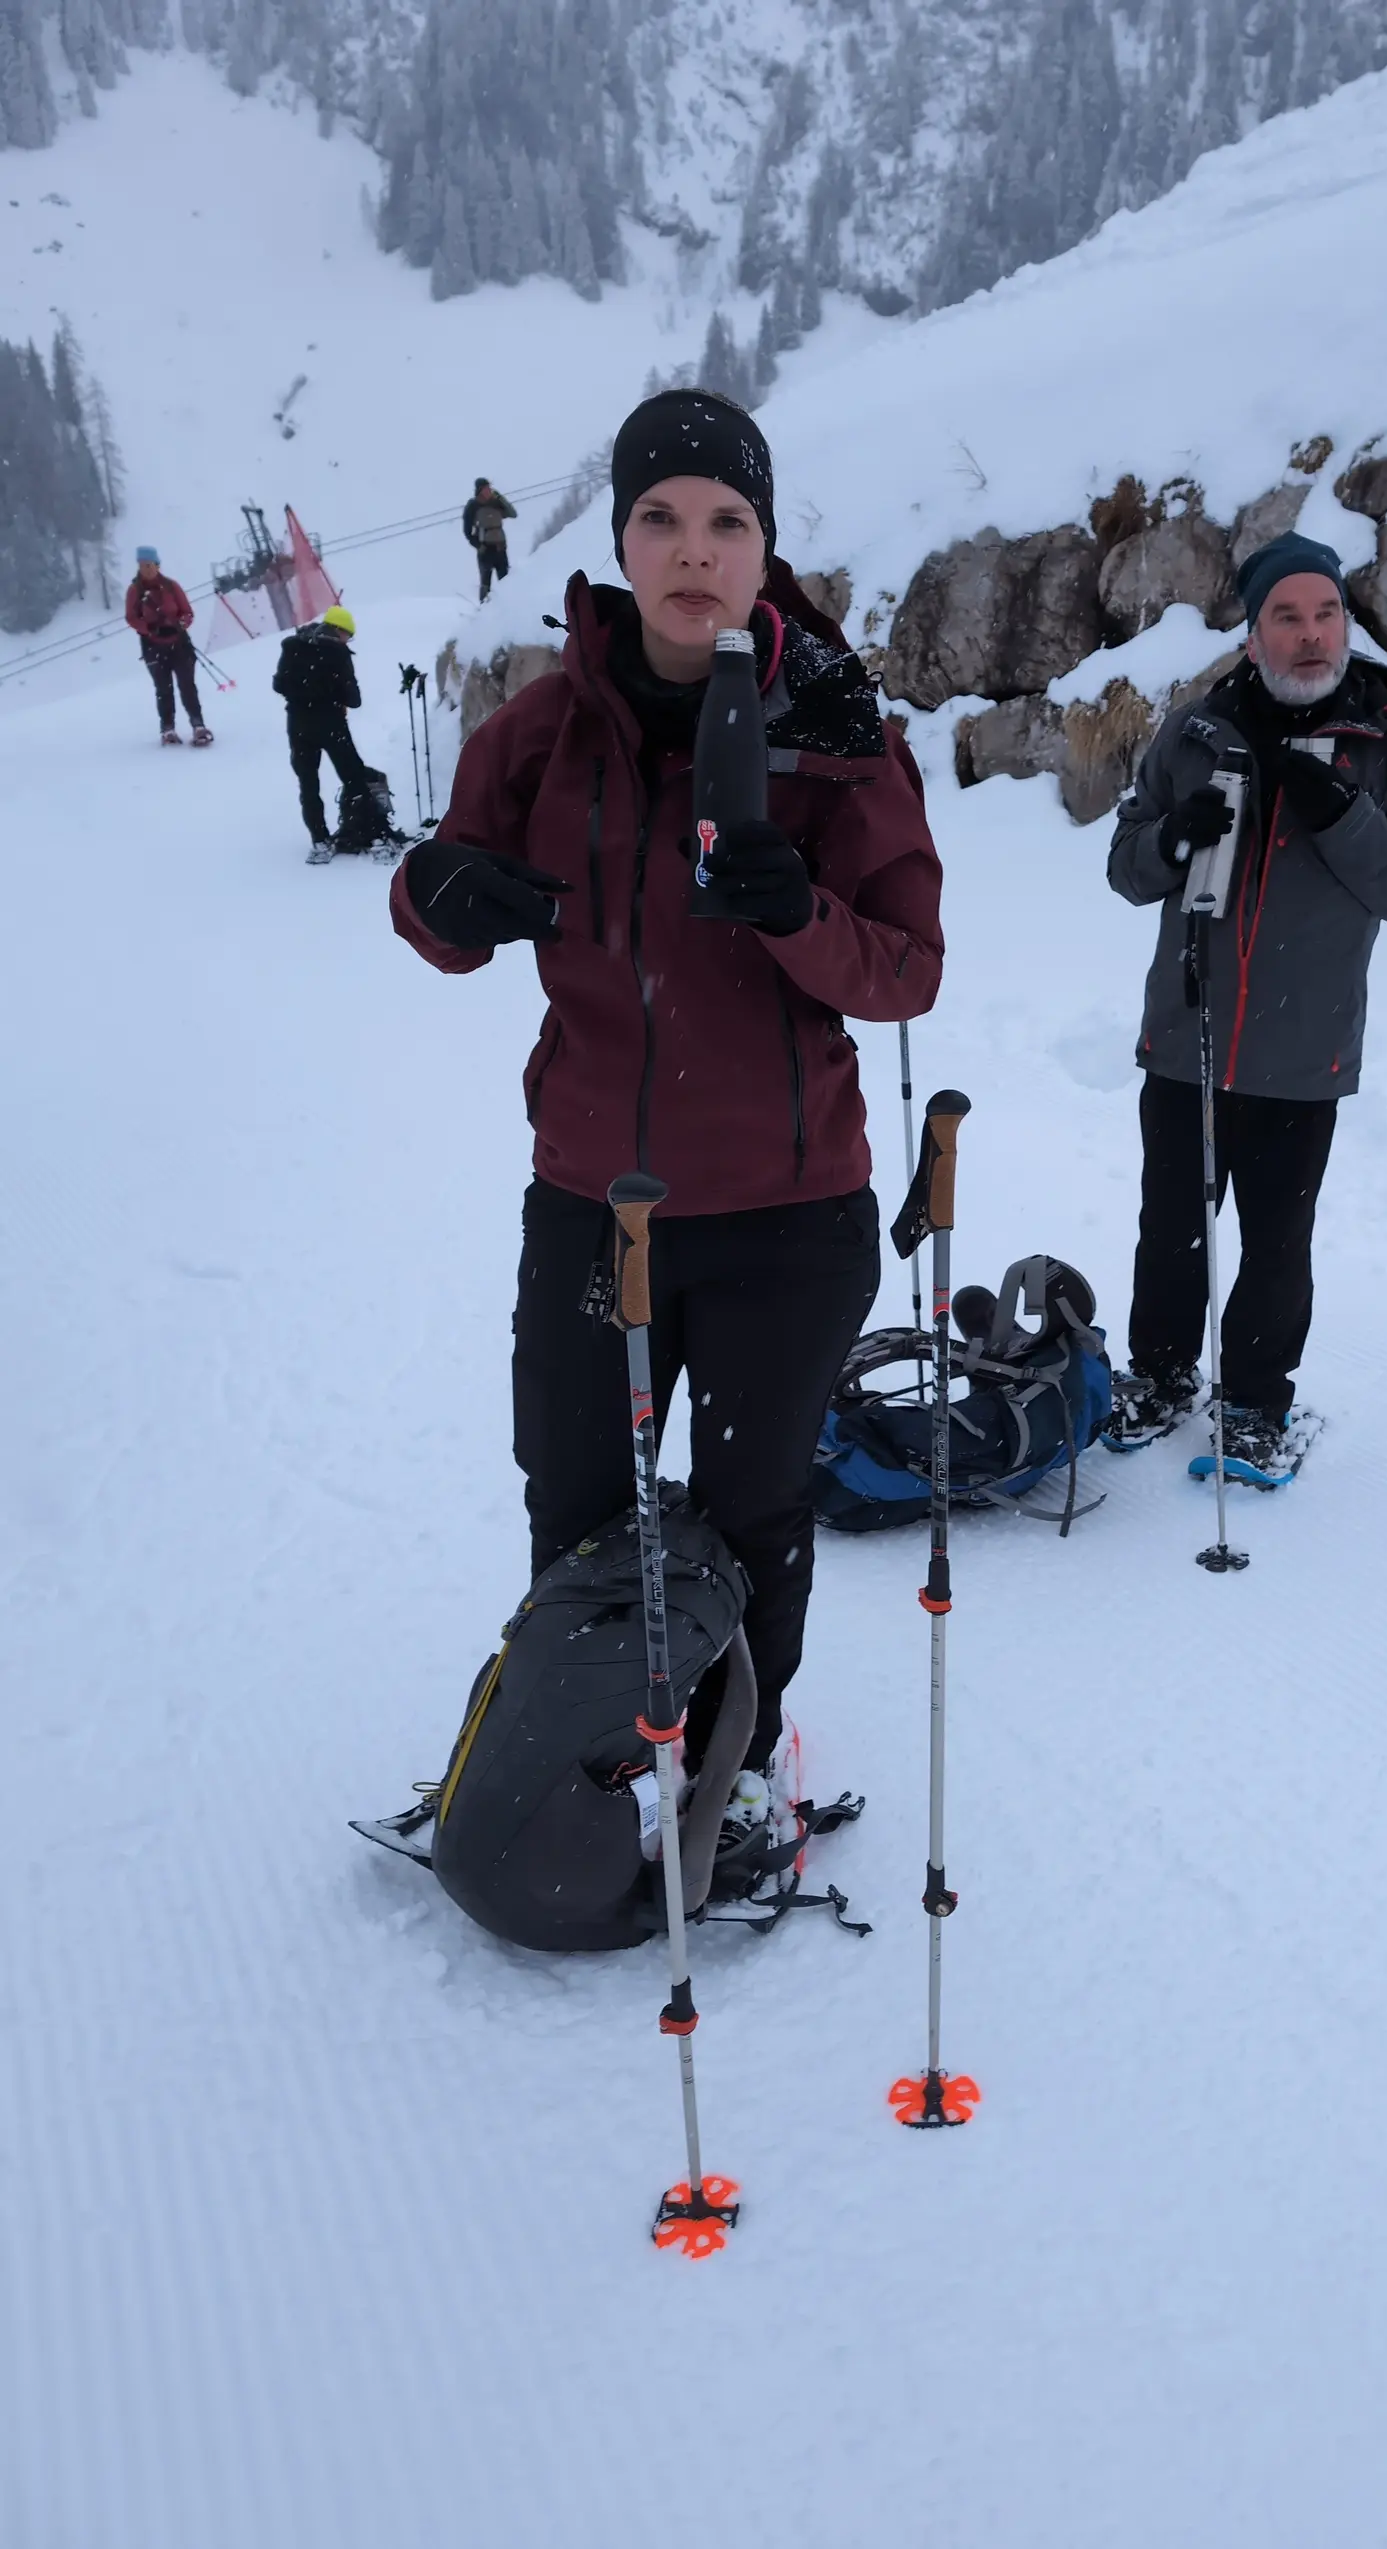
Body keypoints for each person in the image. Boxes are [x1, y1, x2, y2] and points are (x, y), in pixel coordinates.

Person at [392, 389, 943, 1838]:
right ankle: (593, 1747)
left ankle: (738, 1766)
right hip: (597, 1201)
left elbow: (907, 968)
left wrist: (797, 916)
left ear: (765, 549)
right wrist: (434, 897)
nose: (693, 551)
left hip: (786, 1209)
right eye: (660, 518)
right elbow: (444, 900)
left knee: (757, 1511)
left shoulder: (832, 732)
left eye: (727, 522)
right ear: (621, 540)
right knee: (576, 1502)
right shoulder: (539, 730)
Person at [1105, 530, 1387, 1483]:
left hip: (1305, 1051)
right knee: (1170, 1225)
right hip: (1187, 1037)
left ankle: (1257, 1403)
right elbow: (1124, 867)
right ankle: (1161, 1376)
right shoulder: (1193, 731)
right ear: (1252, 633)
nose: (1311, 637)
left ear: (1347, 621)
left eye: (1326, 614)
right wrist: (1174, 839)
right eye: (1286, 618)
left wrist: (1345, 814)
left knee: (1275, 1240)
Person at [272, 604, 371, 857]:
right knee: (353, 777)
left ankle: (320, 840)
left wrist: (303, 693)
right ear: (339, 630)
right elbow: (354, 698)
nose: (348, 640)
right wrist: (331, 694)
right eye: (348, 635)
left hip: (298, 725)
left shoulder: (293, 646)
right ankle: (368, 831)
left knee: (308, 784)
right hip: (331, 724)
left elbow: (279, 684)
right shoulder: (337, 653)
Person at [125, 547, 211, 746]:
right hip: (153, 647)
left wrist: (180, 624)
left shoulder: (171, 586)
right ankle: (168, 729)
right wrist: (149, 630)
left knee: (187, 686)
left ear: (157, 565)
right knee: (163, 689)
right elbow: (131, 617)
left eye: (148, 565)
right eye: (142, 565)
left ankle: (198, 725)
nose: (145, 569)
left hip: (179, 644)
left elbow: (187, 612)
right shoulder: (134, 591)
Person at [462, 478, 517, 601]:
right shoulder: (473, 505)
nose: (489, 491)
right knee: (485, 583)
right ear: (479, 490)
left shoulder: (496, 503)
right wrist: (477, 545)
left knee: (506, 581)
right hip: (485, 549)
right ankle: (484, 612)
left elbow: (513, 514)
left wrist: (500, 498)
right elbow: (467, 531)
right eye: (486, 488)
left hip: (500, 547)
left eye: (490, 488)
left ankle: (508, 605)